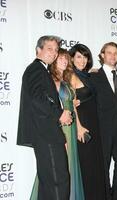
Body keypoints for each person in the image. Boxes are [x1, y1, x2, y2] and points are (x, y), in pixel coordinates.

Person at [17, 35, 72, 200]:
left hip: (47, 132)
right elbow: (37, 98)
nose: (54, 53)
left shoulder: (43, 70)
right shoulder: (36, 69)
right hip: (45, 133)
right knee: (58, 181)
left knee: (49, 182)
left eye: (56, 50)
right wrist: (60, 113)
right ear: (38, 50)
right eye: (49, 48)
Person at [89, 42, 117, 200]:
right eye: (109, 52)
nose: (112, 56)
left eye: (115, 53)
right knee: (103, 167)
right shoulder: (93, 76)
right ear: (102, 55)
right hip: (102, 129)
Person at [69, 44, 106, 199]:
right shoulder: (70, 75)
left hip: (94, 124)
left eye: (85, 57)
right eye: (78, 56)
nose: (82, 60)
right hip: (83, 125)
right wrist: (78, 127)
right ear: (71, 58)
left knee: (95, 165)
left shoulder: (87, 75)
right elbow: (71, 103)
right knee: (87, 165)